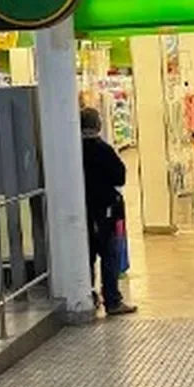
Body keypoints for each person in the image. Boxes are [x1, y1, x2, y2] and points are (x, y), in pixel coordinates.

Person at [80, 107, 136, 316]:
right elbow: (119, 176)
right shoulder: (103, 150)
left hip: (82, 210)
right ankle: (112, 300)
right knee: (110, 255)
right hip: (106, 210)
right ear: (98, 125)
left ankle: (88, 296)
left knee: (86, 256)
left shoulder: (72, 151)